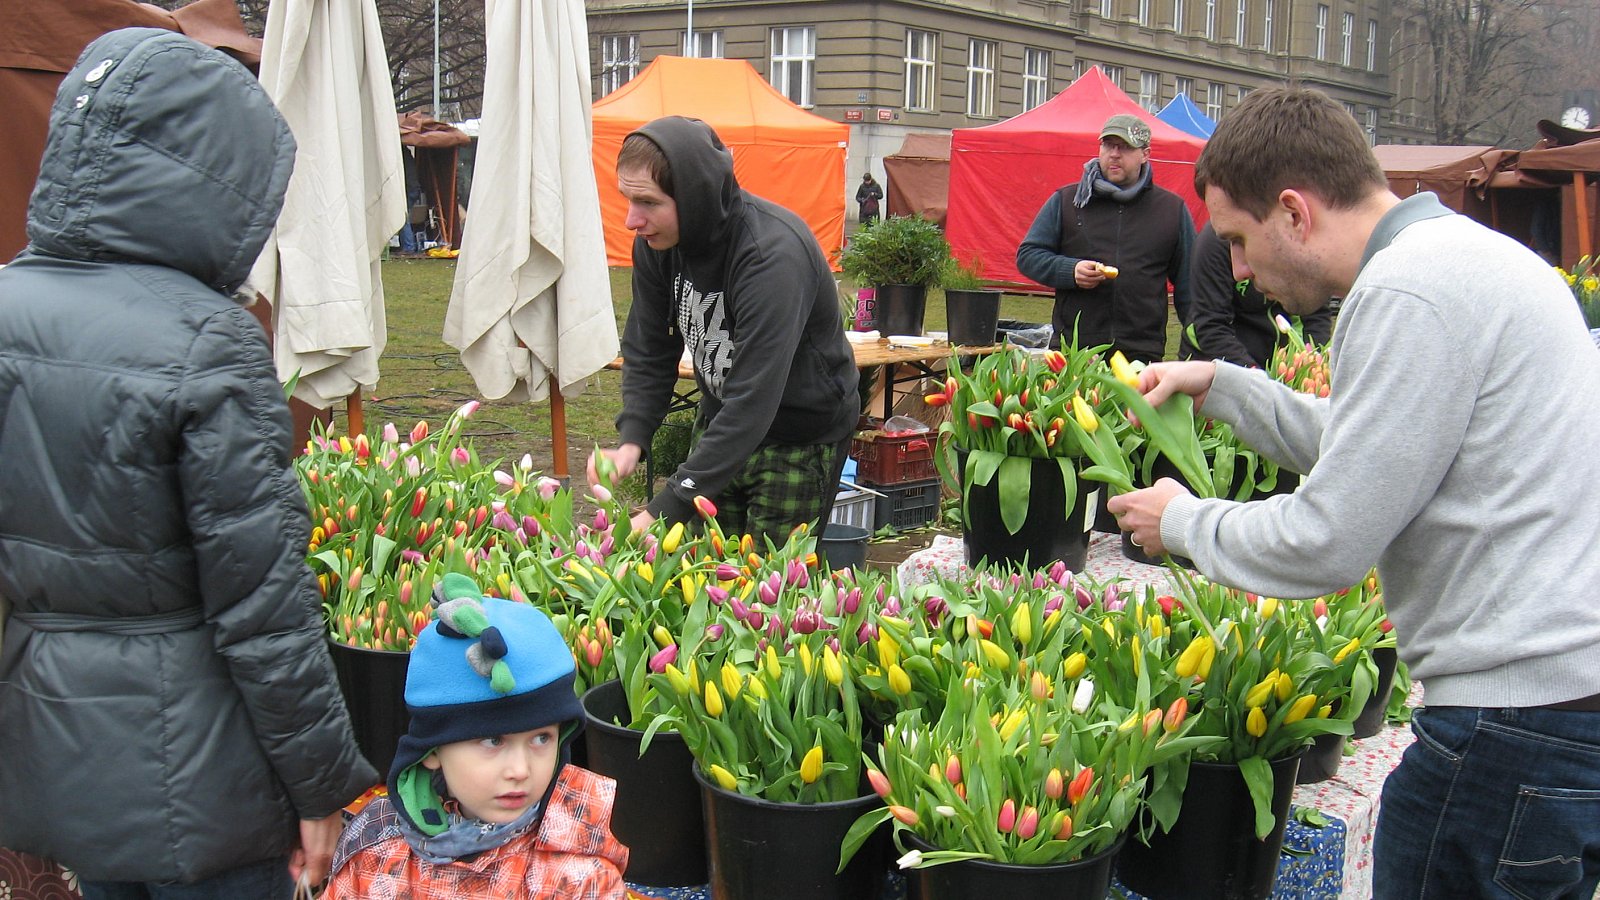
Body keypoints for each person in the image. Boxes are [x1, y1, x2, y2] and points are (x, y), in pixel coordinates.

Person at [1107, 87, 1600, 898]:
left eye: (1237, 240)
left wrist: (1185, 522)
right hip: (1563, 719)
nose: (1236, 273)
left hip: (1509, 733)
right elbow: (1382, 446)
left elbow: (1331, 539)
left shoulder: (1406, 291)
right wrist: (1223, 385)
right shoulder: (1470, 257)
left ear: (1295, 213)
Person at [0, 27, 376, 897]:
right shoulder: (206, 341)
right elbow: (263, 605)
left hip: (57, 732)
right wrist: (321, 783)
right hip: (204, 760)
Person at [589, 116, 861, 542]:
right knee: (707, 579)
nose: (631, 220)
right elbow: (649, 348)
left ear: (694, 195)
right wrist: (632, 440)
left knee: (770, 590)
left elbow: (754, 398)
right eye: (627, 199)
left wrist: (666, 509)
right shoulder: (659, 245)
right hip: (721, 424)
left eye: (648, 202)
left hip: (797, 439)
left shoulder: (770, 257)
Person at [324, 574, 627, 898]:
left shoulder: (580, 878)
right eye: (493, 741)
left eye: (541, 738)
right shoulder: (376, 852)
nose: (521, 770)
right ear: (431, 750)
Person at [1016, 113, 1195, 363]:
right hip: (1074, 352)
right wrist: (1071, 270)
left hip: (1141, 353)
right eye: (1108, 145)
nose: (1114, 154)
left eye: (1124, 147)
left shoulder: (1171, 210)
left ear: (1145, 154)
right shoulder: (1068, 201)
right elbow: (1028, 256)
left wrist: (1198, 346)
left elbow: (1191, 285)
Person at [1178, 221, 1334, 366]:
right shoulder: (1213, 244)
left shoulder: (1295, 236)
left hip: (1278, 362)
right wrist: (1255, 377)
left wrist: (1312, 363)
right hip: (1212, 362)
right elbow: (1210, 325)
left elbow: (1315, 313)